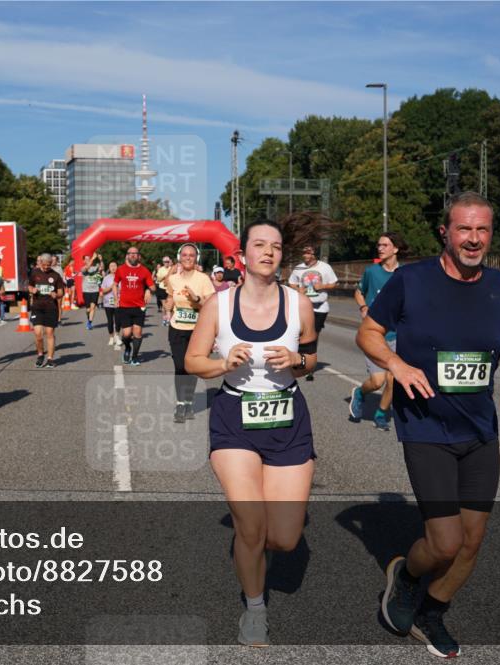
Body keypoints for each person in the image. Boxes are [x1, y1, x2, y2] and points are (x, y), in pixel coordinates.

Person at [357, 192, 500, 658]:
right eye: (464, 229)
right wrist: (396, 364)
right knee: (445, 542)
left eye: (482, 229)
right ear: (445, 232)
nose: (473, 239)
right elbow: (368, 332)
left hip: (480, 432)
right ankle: (407, 576)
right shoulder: (411, 280)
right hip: (426, 428)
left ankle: (432, 611)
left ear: (490, 233)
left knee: (471, 542)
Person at [185, 214, 322, 647]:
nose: (268, 252)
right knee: (250, 526)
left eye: (276, 246)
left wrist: (296, 362)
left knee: (283, 538)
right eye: (260, 244)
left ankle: (258, 553)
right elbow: (192, 361)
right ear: (242, 254)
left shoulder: (298, 304)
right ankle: (255, 608)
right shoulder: (219, 305)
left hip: (288, 420)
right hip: (234, 420)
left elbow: (311, 360)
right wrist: (222, 363)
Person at [350, 233, 406, 430]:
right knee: (377, 381)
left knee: (393, 378)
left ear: (395, 249)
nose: (380, 248)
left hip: (397, 334)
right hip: (374, 335)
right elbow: (358, 292)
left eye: (385, 245)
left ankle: (381, 414)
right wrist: (363, 307)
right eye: (379, 245)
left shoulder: (404, 274)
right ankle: (360, 393)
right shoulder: (372, 272)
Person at [164, 243, 216, 422]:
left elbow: (211, 305)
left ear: (196, 258)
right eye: (185, 255)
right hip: (177, 328)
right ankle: (180, 403)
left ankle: (188, 402)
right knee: (180, 366)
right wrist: (168, 306)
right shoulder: (173, 279)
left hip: (197, 331)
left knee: (192, 367)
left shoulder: (203, 279)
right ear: (180, 257)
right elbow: (170, 297)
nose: (188, 258)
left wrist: (197, 299)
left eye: (191, 255)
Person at [288, 244, 337, 381]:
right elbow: (292, 282)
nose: (305, 255)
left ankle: (309, 366)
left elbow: (334, 283)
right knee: (299, 334)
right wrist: (298, 289)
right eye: (304, 253)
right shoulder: (298, 268)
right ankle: (299, 359)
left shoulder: (325, 267)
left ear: (315, 253)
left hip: (320, 307)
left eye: (308, 253)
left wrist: (322, 286)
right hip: (302, 307)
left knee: (313, 336)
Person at [114, 246, 155, 366]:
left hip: (139, 306)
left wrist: (148, 290)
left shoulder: (144, 271)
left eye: (135, 253)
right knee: (126, 334)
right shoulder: (121, 269)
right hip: (124, 306)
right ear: (127, 256)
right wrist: (116, 297)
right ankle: (127, 348)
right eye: (130, 253)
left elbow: (153, 287)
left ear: (139, 256)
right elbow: (115, 284)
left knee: (137, 332)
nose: (132, 255)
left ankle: (135, 357)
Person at [29, 253, 64, 368]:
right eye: (44, 265)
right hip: (37, 307)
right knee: (38, 334)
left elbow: (61, 292)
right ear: (40, 263)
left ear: (51, 263)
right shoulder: (34, 273)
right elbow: (29, 286)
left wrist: (56, 295)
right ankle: (40, 354)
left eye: (48, 265)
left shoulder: (56, 275)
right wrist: (32, 290)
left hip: (51, 308)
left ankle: (50, 358)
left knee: (49, 333)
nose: (46, 267)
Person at [100, 260, 121, 348]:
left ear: (117, 267)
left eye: (114, 265)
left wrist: (117, 288)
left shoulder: (121, 277)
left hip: (118, 301)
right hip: (108, 301)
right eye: (111, 266)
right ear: (109, 268)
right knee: (110, 321)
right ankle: (111, 337)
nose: (113, 267)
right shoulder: (106, 278)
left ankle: (117, 335)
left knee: (118, 320)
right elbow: (103, 291)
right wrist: (112, 286)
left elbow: (124, 289)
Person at [81, 253, 104, 330]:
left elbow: (102, 268)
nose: (88, 260)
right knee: (88, 309)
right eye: (87, 259)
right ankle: (88, 318)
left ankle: (90, 323)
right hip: (86, 290)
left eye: (89, 259)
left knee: (93, 307)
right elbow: (86, 268)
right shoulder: (83, 268)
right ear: (84, 261)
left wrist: (101, 260)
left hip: (95, 290)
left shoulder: (95, 267)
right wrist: (93, 258)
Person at [155, 256, 174, 326]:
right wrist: (164, 277)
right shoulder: (161, 269)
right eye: (165, 262)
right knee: (164, 305)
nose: (166, 263)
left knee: (170, 305)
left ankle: (169, 320)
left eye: (168, 262)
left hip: (169, 289)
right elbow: (158, 279)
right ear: (163, 262)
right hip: (162, 288)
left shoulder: (172, 269)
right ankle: (165, 319)